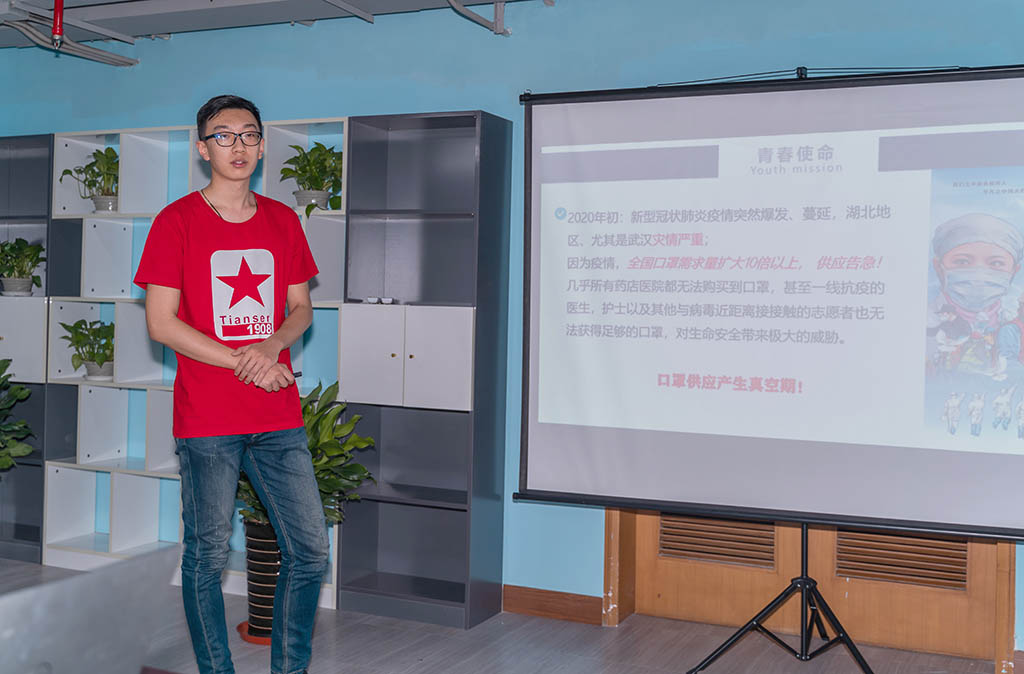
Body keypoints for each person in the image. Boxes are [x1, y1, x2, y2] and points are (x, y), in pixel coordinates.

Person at [133, 94, 326, 674]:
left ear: (262, 147)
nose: (237, 146)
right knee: (208, 555)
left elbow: (301, 308)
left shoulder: (283, 220)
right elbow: (161, 323)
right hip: (208, 419)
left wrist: (269, 346)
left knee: (310, 550)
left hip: (277, 413)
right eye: (223, 135)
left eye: (248, 135)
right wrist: (244, 360)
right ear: (202, 148)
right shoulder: (175, 221)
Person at [929, 213, 1024, 377]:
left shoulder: (1011, 325)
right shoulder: (925, 322)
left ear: (1014, 272)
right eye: (962, 261)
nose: (980, 274)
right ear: (939, 267)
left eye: (996, 263)